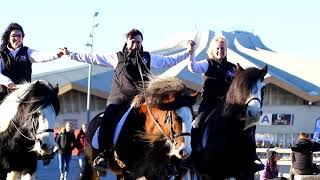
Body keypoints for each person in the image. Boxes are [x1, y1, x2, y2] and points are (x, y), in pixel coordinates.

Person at [60, 28, 196, 172]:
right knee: (108, 118)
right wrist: (70, 55)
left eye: (138, 42)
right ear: (127, 42)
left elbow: (169, 60)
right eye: (133, 42)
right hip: (119, 100)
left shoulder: (148, 57)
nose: (136, 45)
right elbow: (92, 58)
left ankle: (165, 159)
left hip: (141, 102)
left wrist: (188, 52)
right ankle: (104, 155)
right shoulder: (116, 57)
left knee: (161, 121)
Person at [187, 35, 236, 149]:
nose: (220, 51)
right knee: (197, 124)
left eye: (222, 48)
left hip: (226, 107)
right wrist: (191, 53)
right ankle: (191, 155)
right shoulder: (208, 63)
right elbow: (193, 67)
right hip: (208, 105)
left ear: (226, 50)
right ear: (213, 50)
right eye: (217, 48)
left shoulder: (232, 68)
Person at [0, 22, 63, 102]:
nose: (16, 38)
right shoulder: (1, 53)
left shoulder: (27, 51)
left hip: (24, 92)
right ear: (8, 37)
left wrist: (57, 54)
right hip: (4, 92)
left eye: (19, 36)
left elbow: (42, 56)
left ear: (22, 38)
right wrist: (7, 82)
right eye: (13, 36)